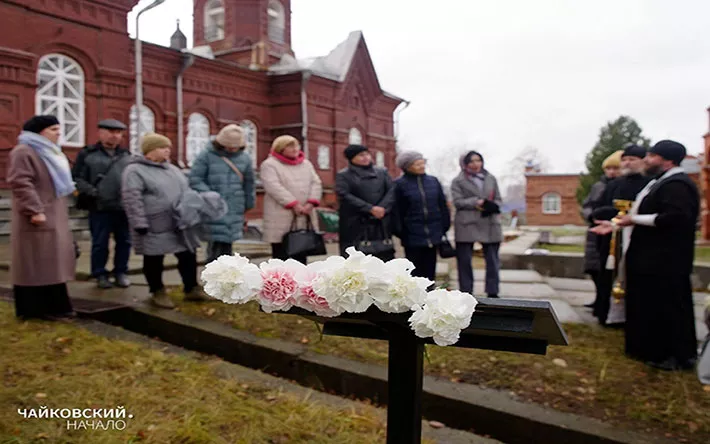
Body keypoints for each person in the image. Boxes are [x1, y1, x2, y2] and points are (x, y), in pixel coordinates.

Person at [592, 140, 698, 370]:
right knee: (649, 304)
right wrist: (614, 225)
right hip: (649, 259)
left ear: (667, 160)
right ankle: (650, 348)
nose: (647, 160)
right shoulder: (660, 182)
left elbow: (674, 217)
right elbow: (642, 213)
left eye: (651, 156)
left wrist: (633, 220)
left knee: (669, 307)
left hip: (666, 260)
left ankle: (674, 355)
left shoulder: (678, 184)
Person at [121, 133, 207, 309]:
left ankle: (192, 288)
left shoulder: (173, 169)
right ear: (149, 151)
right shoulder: (135, 170)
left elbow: (186, 191)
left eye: (168, 146)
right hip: (153, 224)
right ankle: (157, 291)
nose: (167, 150)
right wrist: (139, 223)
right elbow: (132, 198)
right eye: (162, 147)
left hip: (179, 223)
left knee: (188, 255)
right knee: (154, 258)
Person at [8, 115, 76, 320]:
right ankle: (34, 310)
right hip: (37, 216)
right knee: (34, 264)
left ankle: (57, 307)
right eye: (53, 129)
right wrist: (34, 209)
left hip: (52, 214)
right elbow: (20, 182)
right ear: (39, 132)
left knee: (51, 263)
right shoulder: (24, 151)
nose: (59, 133)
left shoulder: (49, 152)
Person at [590, 145, 649, 325]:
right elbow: (597, 209)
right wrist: (610, 213)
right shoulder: (614, 184)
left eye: (632, 159)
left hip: (637, 238)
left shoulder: (648, 184)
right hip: (610, 239)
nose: (627, 163)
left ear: (642, 161)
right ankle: (605, 312)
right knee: (607, 275)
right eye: (624, 159)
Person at [72, 119, 133, 289]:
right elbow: (77, 178)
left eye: (118, 132)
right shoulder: (88, 154)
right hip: (99, 207)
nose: (115, 136)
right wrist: (93, 192)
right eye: (111, 131)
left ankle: (121, 272)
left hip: (122, 207)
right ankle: (99, 273)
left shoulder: (126, 155)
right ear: (100, 133)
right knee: (100, 242)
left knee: (125, 241)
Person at [189, 124, 255, 263]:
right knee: (215, 242)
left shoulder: (245, 158)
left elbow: (249, 183)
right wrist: (210, 196)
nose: (232, 149)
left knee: (228, 243)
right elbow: (195, 179)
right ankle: (213, 276)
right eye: (229, 145)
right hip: (213, 206)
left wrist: (249, 204)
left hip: (235, 205)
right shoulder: (206, 156)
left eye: (235, 146)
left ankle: (226, 277)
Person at [260, 135, 322, 264]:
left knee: (302, 249)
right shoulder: (270, 165)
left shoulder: (306, 164)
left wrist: (311, 202)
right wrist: (293, 204)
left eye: (296, 146)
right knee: (281, 253)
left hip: (305, 212)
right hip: (281, 213)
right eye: (290, 146)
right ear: (281, 149)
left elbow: (316, 183)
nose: (295, 149)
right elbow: (273, 186)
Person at [451, 150, 502, 298]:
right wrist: (477, 202)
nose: (475, 164)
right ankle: (466, 292)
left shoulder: (491, 178)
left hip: (489, 222)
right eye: (471, 161)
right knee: (465, 260)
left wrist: (492, 205)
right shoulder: (458, 181)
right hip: (467, 223)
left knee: (493, 259)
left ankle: (493, 291)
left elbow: (498, 198)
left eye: (478, 160)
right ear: (465, 164)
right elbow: (458, 202)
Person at [394, 151, 450, 281]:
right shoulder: (399, 184)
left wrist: (444, 226)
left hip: (434, 232)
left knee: (430, 271)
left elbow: (442, 205)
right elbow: (397, 211)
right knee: (414, 272)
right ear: (407, 167)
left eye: (422, 162)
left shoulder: (433, 181)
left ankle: (430, 297)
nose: (422, 166)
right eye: (417, 164)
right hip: (411, 235)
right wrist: (401, 231)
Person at [335, 144, 397, 261]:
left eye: (367, 154)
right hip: (355, 223)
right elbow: (345, 195)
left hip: (381, 222)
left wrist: (382, 208)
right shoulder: (344, 176)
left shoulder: (382, 172)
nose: (366, 157)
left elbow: (391, 191)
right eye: (361, 155)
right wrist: (370, 209)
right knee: (357, 259)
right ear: (351, 158)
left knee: (384, 257)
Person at [581, 150, 621, 310]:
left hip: (613, 231)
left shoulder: (622, 186)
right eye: (609, 169)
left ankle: (608, 301)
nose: (611, 172)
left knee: (609, 270)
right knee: (593, 268)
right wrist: (591, 216)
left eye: (615, 168)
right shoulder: (598, 186)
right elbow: (587, 204)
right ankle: (598, 298)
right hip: (595, 231)